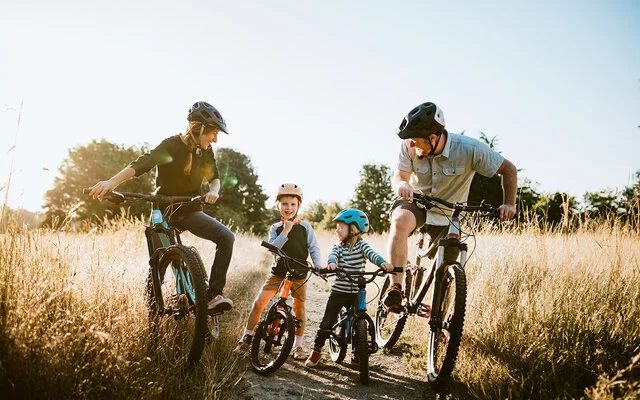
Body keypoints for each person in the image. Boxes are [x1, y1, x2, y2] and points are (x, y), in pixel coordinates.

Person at [88, 101, 235, 311]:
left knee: (226, 237)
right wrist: (110, 183)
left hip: (190, 210)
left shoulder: (206, 151)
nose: (215, 139)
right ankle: (156, 308)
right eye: (213, 133)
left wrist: (214, 190)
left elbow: (215, 176)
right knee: (157, 262)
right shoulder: (171, 146)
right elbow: (141, 164)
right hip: (163, 211)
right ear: (199, 128)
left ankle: (213, 295)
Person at [382, 101, 518, 309]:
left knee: (447, 269)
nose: (411, 144)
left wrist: (509, 204)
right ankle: (396, 288)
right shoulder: (409, 146)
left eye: (416, 140)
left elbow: (509, 169)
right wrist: (402, 184)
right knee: (399, 220)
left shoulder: (470, 149)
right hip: (417, 203)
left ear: (433, 137)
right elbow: (400, 175)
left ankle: (441, 322)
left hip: (449, 213)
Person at [235, 183, 323, 361]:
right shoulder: (275, 228)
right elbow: (273, 249)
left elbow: (313, 248)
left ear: (298, 206)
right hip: (278, 272)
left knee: (299, 308)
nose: (288, 208)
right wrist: (286, 231)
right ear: (278, 206)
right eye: (284, 204)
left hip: (299, 272)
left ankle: (298, 346)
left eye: (292, 204)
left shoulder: (306, 227)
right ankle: (247, 338)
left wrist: (319, 265)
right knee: (259, 303)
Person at [305, 209, 393, 367]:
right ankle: (316, 351)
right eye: (337, 227)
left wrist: (382, 264)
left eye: (340, 227)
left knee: (360, 321)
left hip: (357, 292)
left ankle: (357, 352)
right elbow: (333, 256)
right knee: (327, 322)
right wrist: (332, 263)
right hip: (339, 292)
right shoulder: (338, 247)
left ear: (353, 229)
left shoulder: (362, 246)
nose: (337, 230)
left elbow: (372, 254)